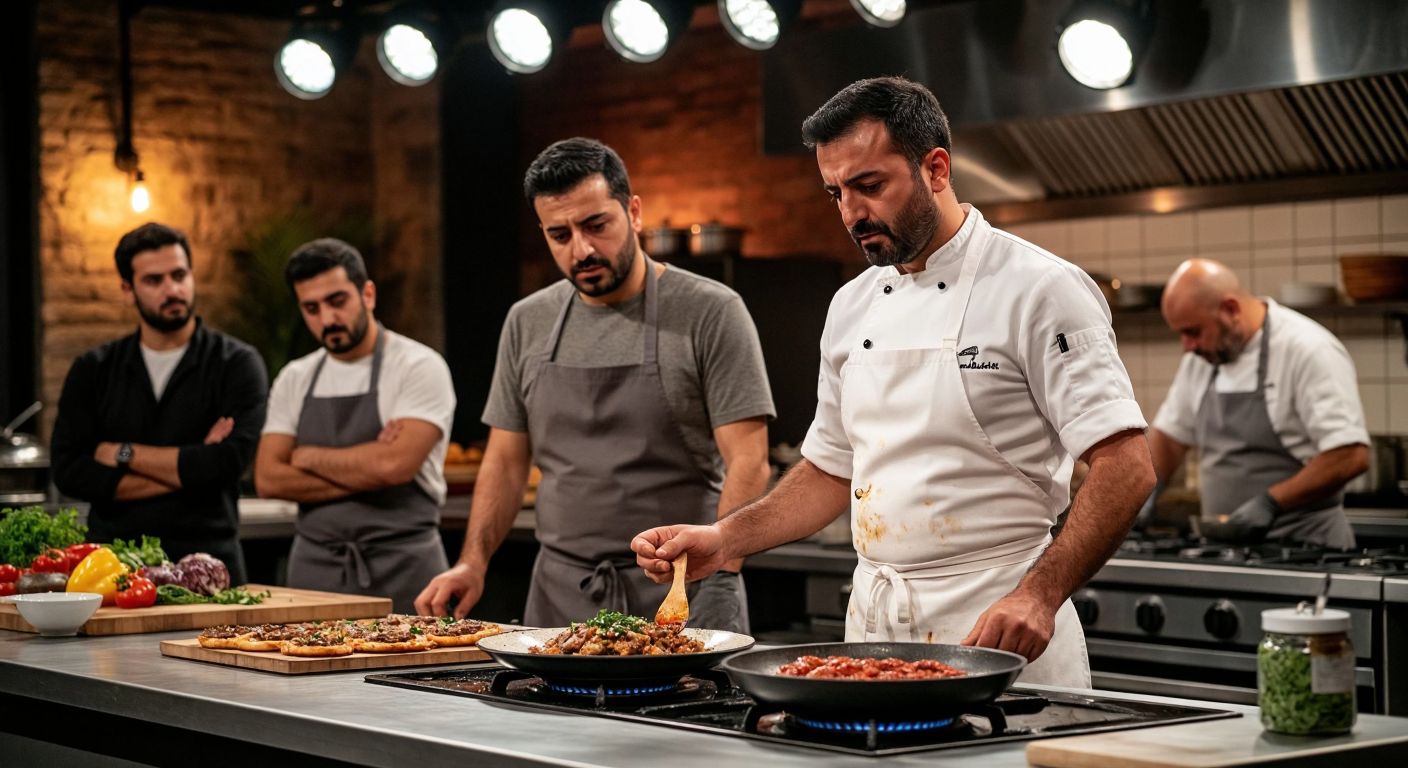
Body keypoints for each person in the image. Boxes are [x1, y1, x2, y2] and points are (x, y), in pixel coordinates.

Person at [632, 77, 1155, 687]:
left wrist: (1038, 596)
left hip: (996, 625)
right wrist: (723, 539)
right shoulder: (851, 305)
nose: (852, 213)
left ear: (935, 168)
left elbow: (1126, 465)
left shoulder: (1041, 289)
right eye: (836, 193)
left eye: (869, 186)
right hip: (874, 633)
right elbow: (830, 472)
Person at [416, 138, 774, 631]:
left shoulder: (710, 311)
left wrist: (722, 568)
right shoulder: (528, 321)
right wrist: (472, 562)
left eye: (596, 225)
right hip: (562, 600)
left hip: (680, 593)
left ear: (634, 211)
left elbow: (749, 461)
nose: (581, 249)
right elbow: (504, 460)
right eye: (559, 235)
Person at [51, 222, 267, 584]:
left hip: (211, 570)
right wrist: (193, 463)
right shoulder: (95, 369)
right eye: (154, 280)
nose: (172, 289)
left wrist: (124, 453)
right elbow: (70, 470)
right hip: (113, 568)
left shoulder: (236, 363)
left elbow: (228, 464)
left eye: (179, 275)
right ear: (127, 289)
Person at [254, 238, 455, 613]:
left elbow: (395, 466)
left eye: (337, 301)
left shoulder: (418, 366)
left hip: (406, 572)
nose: (327, 319)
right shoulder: (296, 377)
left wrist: (306, 456)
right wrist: (369, 467)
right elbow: (268, 478)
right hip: (312, 574)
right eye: (311, 308)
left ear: (368, 293)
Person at [1137, 259, 1369, 549]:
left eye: (1193, 332)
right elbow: (1170, 439)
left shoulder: (1308, 350)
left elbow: (1349, 455)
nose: (1187, 346)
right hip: (1224, 548)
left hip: (1305, 547)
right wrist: (1140, 495)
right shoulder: (1202, 359)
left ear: (1231, 309)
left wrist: (1270, 503)